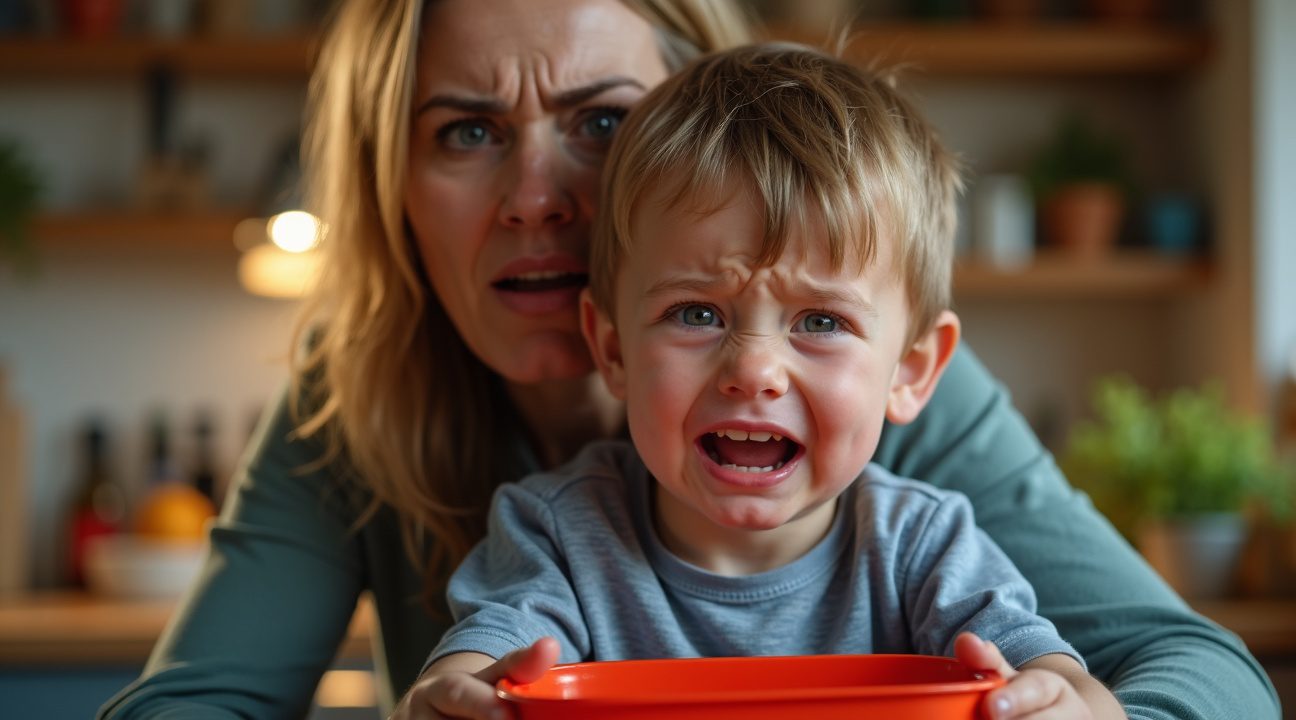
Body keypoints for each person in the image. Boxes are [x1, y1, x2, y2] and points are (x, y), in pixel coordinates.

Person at [98, 0, 1278, 718]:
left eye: (602, 123)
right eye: (467, 131)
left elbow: (1194, 670)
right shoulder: (359, 394)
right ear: (387, 185)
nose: (537, 199)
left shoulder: (870, 395)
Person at [401, 42, 1127, 720]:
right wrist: (446, 698)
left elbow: (1070, 690)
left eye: (819, 322)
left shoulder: (928, 548)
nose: (754, 370)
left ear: (911, 371)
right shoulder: (556, 534)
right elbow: (469, 674)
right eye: (696, 312)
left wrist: (1069, 705)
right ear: (614, 349)